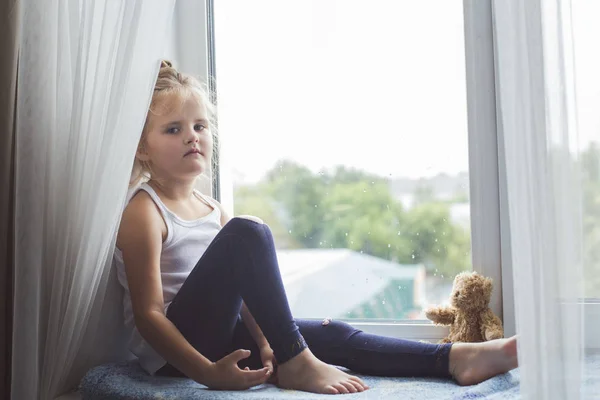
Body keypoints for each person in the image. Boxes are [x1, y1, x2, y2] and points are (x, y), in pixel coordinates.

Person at [114, 60, 518, 395]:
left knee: (333, 334)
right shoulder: (144, 209)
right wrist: (206, 374)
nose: (192, 137)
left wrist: (268, 344)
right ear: (142, 147)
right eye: (174, 129)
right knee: (249, 231)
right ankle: (298, 362)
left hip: (222, 337)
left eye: (200, 126)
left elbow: (247, 299)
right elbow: (149, 316)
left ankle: (453, 359)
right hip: (177, 356)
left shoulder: (211, 208)